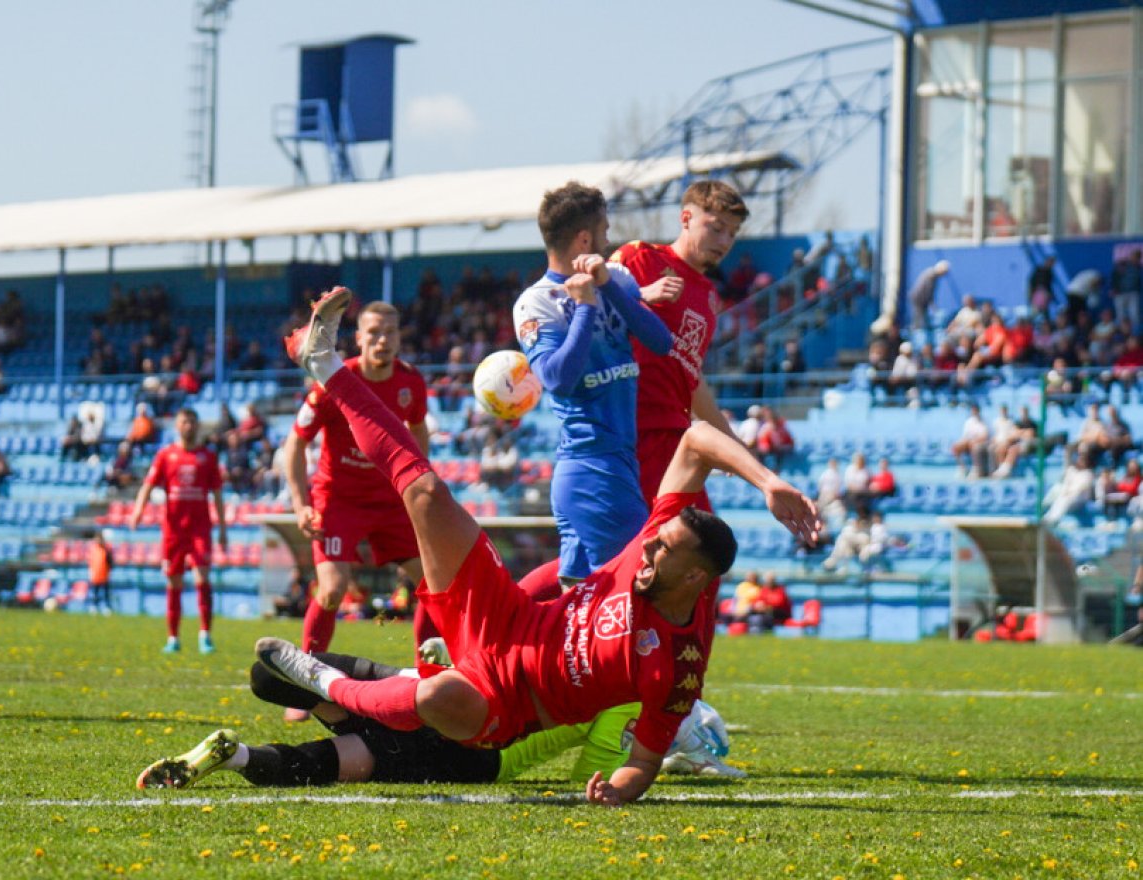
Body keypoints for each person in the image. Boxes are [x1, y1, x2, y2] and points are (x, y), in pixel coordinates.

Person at [260, 287, 819, 805]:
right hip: (507, 617)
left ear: (696, 578)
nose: (646, 549)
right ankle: (325, 363)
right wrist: (768, 482)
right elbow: (696, 440)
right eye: (656, 540)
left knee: (437, 702)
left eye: (662, 550)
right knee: (426, 491)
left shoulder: (677, 668)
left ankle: (328, 683)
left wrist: (618, 789)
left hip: (509, 703)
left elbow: (645, 761)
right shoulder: (660, 538)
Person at [137, 649, 740, 791]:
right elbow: (595, 779)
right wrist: (643, 766)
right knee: (359, 761)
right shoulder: (617, 709)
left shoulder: (580, 667)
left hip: (445, 700)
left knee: (272, 677)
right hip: (477, 754)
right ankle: (240, 756)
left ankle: (339, 688)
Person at [512, 181, 672, 582]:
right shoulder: (536, 302)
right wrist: (584, 307)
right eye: (604, 231)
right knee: (639, 586)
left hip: (616, 462)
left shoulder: (614, 276)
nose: (608, 238)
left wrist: (606, 288)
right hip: (592, 467)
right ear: (585, 238)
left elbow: (660, 341)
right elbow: (557, 378)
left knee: (577, 612)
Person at [282, 300, 434, 683]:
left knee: (431, 583)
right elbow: (296, 443)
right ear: (359, 338)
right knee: (332, 589)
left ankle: (429, 677)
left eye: (391, 333)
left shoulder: (411, 382)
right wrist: (301, 505)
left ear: (400, 338)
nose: (383, 341)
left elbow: (418, 429)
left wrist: (418, 482)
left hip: (389, 499)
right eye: (374, 333)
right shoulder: (335, 381)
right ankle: (307, 682)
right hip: (339, 499)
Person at [610, 180, 751, 507]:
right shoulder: (639, 257)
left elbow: (690, 377)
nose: (725, 241)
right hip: (631, 430)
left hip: (675, 436)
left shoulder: (709, 296)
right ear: (685, 218)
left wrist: (731, 441)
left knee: (689, 548)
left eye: (732, 233)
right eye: (716, 228)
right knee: (684, 546)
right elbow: (588, 308)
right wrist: (641, 295)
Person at [128, 408, 228, 654]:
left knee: (202, 578)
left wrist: (223, 528)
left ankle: (205, 635)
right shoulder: (166, 455)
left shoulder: (208, 457)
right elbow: (148, 485)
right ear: (177, 425)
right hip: (173, 530)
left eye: (193, 422)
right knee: (174, 582)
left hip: (200, 529)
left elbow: (217, 494)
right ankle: (173, 637)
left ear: (197, 426)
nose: (188, 426)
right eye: (184, 422)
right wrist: (138, 511)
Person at [907, 260, 950, 330]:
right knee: (919, 318)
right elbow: (928, 290)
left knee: (920, 317)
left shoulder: (931, 273)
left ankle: (917, 329)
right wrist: (932, 304)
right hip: (919, 298)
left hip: (920, 298)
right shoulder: (931, 275)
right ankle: (917, 332)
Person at [952, 404, 991, 478]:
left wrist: (974, 440)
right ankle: (962, 468)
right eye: (973, 410)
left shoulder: (985, 421)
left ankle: (976, 468)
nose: (974, 412)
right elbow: (965, 436)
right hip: (969, 441)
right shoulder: (969, 422)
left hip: (981, 443)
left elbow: (985, 436)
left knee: (974, 446)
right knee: (956, 447)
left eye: (976, 410)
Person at [88, 530, 114, 613]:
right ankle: (94, 606)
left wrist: (109, 571)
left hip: (104, 574)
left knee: (106, 592)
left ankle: (107, 607)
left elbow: (110, 562)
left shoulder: (106, 549)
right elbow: (91, 561)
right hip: (95, 574)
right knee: (95, 592)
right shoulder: (93, 549)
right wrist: (90, 571)